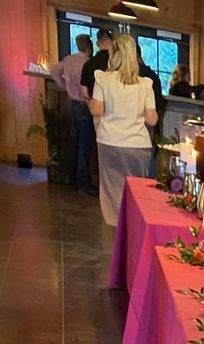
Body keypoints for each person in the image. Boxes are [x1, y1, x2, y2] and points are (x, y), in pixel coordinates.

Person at [89, 34, 157, 227]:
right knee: (138, 192)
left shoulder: (103, 78)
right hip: (138, 144)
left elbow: (98, 109)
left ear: (114, 54)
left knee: (113, 192)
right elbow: (152, 120)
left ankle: (116, 231)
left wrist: (90, 105)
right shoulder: (145, 84)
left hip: (109, 141)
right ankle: (134, 228)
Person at [50, 33, 96, 194]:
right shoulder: (87, 64)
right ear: (89, 47)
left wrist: (64, 86)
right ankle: (83, 184)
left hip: (71, 103)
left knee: (75, 142)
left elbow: (54, 71)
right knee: (85, 144)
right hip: (84, 105)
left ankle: (75, 180)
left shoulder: (68, 60)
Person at [80, 28, 113, 99]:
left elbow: (84, 93)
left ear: (97, 43)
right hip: (114, 105)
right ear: (112, 43)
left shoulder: (88, 64)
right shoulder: (116, 63)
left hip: (95, 103)